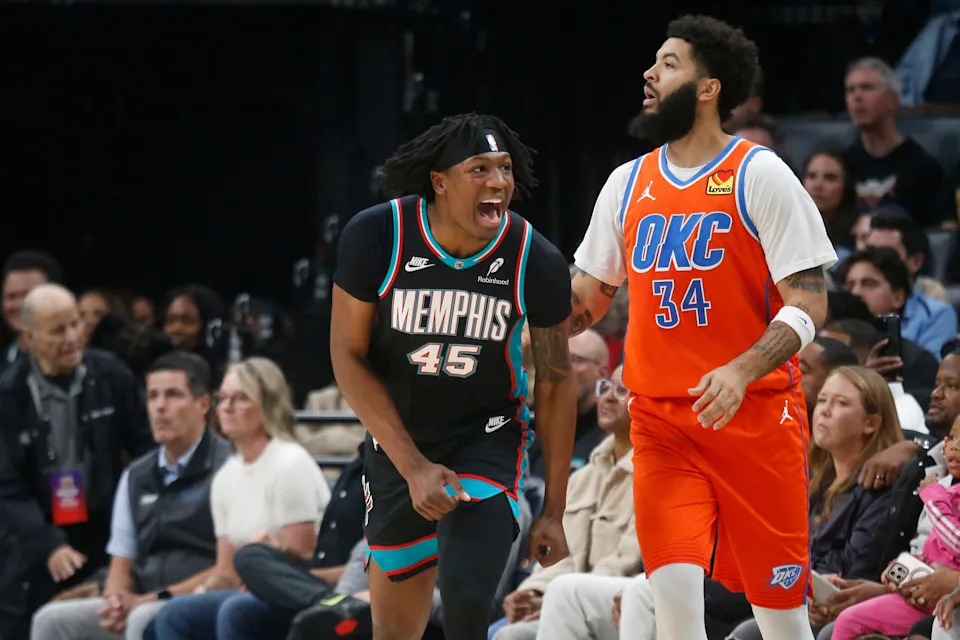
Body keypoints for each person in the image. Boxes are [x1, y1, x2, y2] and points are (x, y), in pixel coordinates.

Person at [569, 15, 836, 640]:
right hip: (661, 422)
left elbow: (811, 303)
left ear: (708, 86)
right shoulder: (627, 182)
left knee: (780, 619)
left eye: (668, 63)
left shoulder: (759, 174)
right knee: (675, 614)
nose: (649, 73)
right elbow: (585, 298)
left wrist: (743, 368)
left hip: (755, 419)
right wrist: (514, 281)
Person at [330, 113, 577, 640]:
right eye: (480, 168)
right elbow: (347, 357)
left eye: (505, 168)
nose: (499, 182)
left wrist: (554, 509)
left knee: (466, 605)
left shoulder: (536, 259)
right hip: (399, 443)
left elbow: (556, 380)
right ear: (439, 181)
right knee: (395, 631)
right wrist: (413, 465)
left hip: (486, 439)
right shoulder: (378, 236)